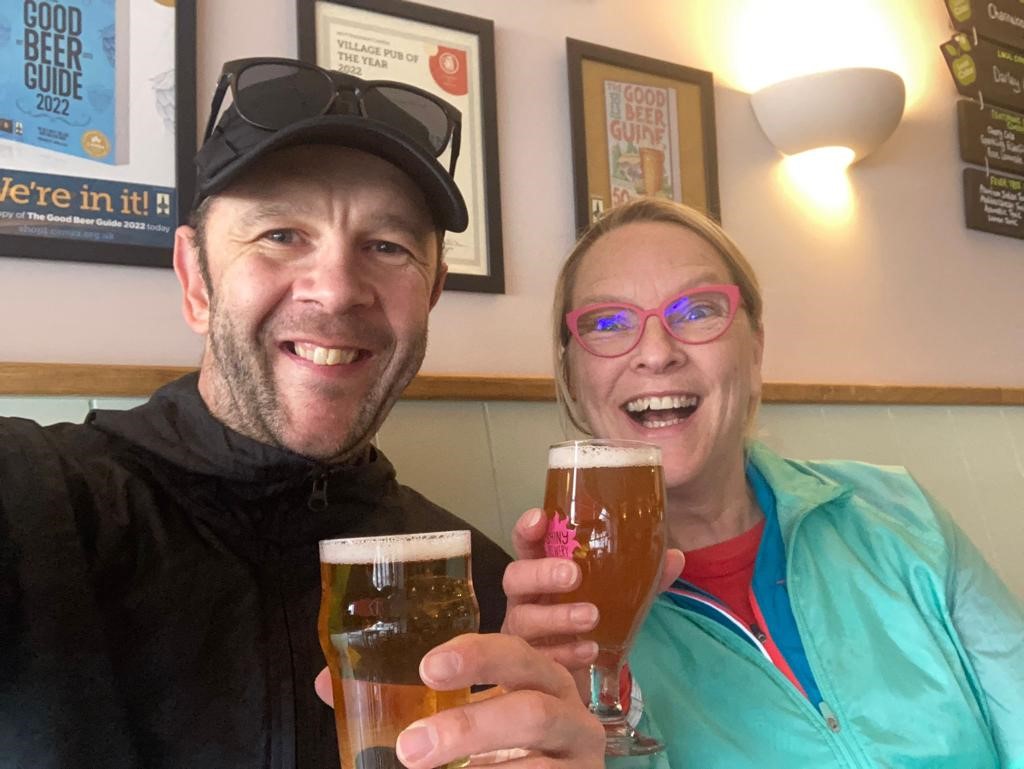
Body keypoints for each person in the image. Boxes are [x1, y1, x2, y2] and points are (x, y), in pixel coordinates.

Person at [0, 57, 603, 769]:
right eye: (281, 233)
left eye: (387, 246)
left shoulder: (480, 591)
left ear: (432, 294)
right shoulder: (36, 499)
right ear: (196, 279)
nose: (339, 289)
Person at [508, 197, 1024, 768]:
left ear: (754, 351)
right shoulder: (557, 624)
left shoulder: (901, 511)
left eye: (698, 310)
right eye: (607, 323)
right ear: (574, 379)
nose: (656, 353)